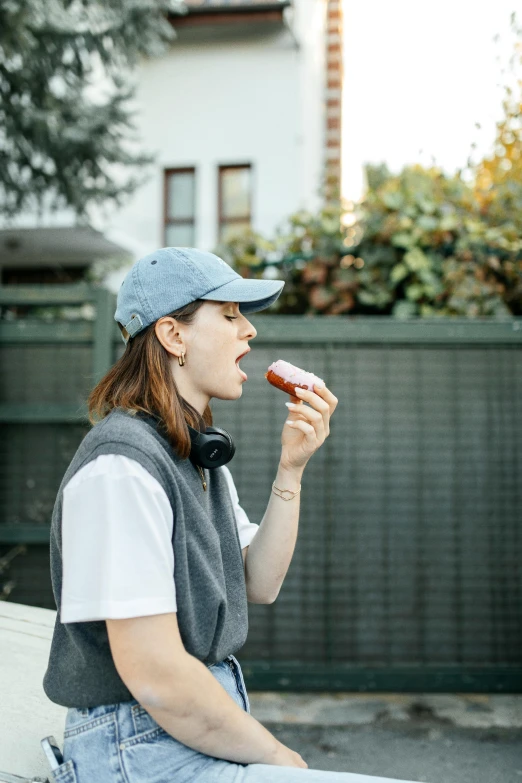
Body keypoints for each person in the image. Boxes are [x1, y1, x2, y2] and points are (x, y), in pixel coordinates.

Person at [42, 247, 421, 783]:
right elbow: (155, 674)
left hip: (173, 737)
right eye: (230, 314)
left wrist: (291, 469)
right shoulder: (120, 469)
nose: (250, 332)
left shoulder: (195, 456)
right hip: (139, 748)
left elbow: (258, 582)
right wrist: (277, 755)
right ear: (174, 336)